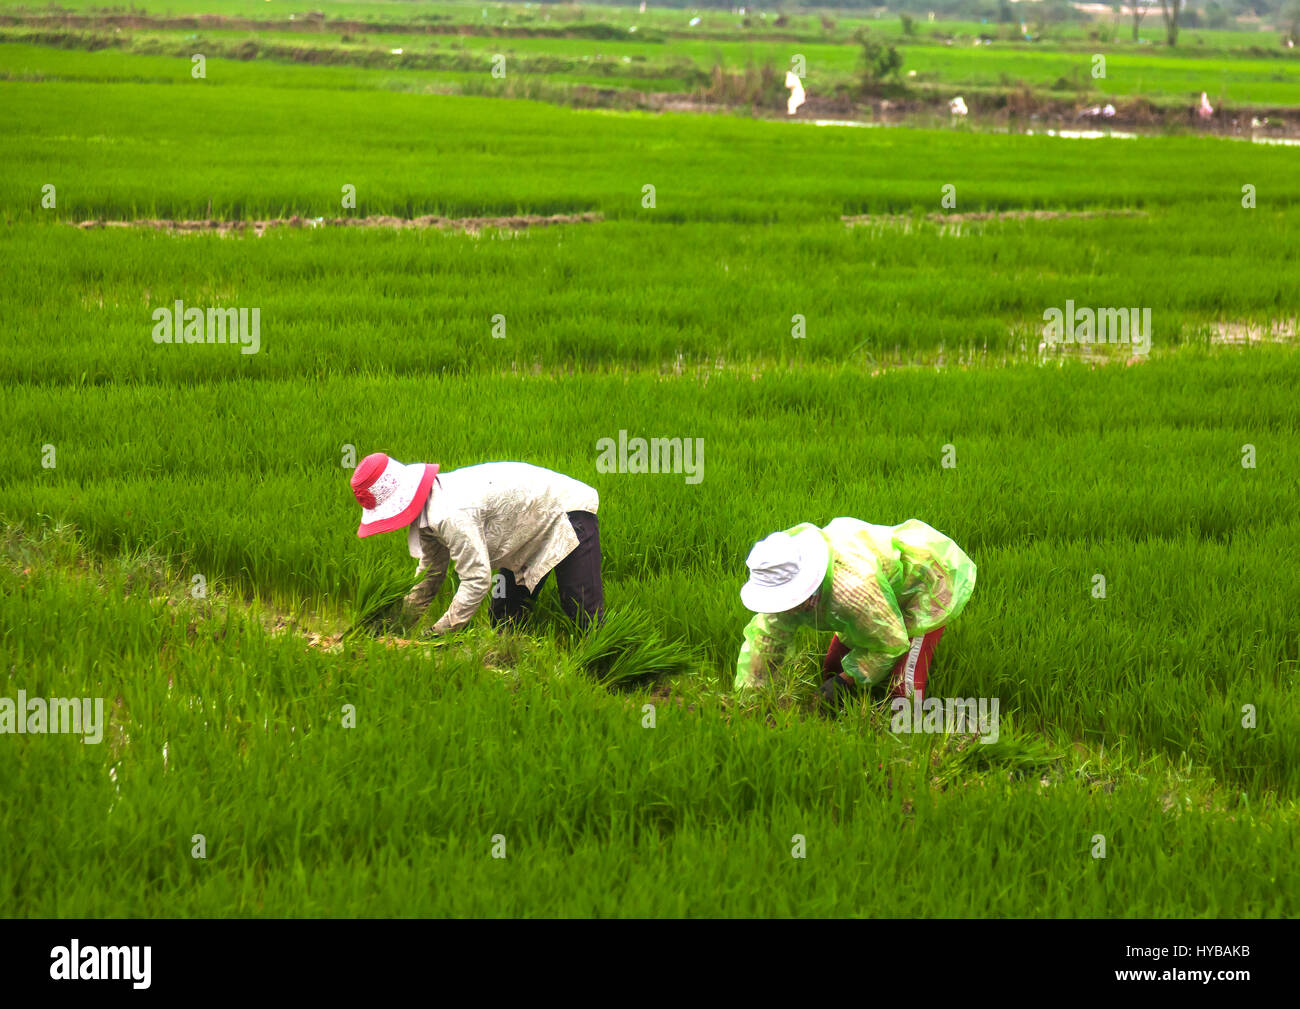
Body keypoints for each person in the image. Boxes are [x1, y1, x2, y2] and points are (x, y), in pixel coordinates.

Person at [734, 518, 975, 711]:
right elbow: (765, 642)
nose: (784, 609)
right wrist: (750, 698)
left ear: (805, 589)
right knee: (831, 667)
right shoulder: (783, 600)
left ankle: (908, 742)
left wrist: (845, 681)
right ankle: (843, 713)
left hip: (925, 580)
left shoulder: (852, 590)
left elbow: (890, 643)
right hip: (877, 594)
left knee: (903, 686)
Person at [349, 453, 604, 635]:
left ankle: (609, 676)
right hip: (526, 533)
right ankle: (516, 668)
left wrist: (441, 631)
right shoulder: (426, 513)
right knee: (504, 616)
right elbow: (431, 573)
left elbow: (477, 579)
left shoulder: (450, 513)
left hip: (566, 512)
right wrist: (400, 622)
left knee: (583, 614)